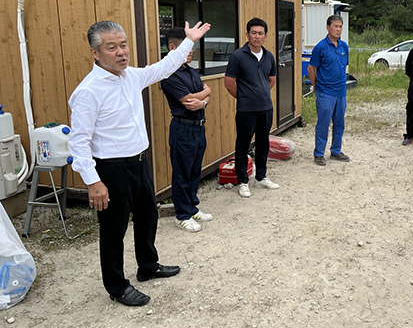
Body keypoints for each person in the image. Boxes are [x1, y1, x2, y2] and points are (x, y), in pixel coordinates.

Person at [69, 19, 210, 306]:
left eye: (123, 45)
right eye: (112, 47)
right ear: (96, 53)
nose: (121, 52)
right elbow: (78, 141)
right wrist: (93, 182)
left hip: (139, 162)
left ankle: (148, 266)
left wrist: (189, 41)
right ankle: (117, 286)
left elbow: (163, 67)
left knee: (148, 217)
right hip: (110, 169)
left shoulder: (131, 76)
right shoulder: (88, 91)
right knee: (113, 229)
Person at [160, 27, 212, 232]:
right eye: (186, 46)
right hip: (182, 128)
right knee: (182, 172)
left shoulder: (190, 71)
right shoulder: (169, 74)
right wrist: (204, 93)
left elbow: (205, 95)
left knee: (194, 170)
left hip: (199, 126)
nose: (191, 51)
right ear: (173, 48)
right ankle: (181, 214)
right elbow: (187, 99)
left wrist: (204, 100)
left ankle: (192, 207)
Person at [224, 17, 279, 198]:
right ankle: (243, 181)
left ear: (266, 36)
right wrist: (245, 97)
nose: (257, 37)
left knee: (263, 143)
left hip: (265, 107)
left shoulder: (269, 56)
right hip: (246, 110)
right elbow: (229, 82)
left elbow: (271, 79)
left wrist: (260, 93)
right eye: (253, 33)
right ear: (247, 34)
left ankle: (261, 177)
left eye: (260, 33)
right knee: (243, 145)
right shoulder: (238, 56)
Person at [308, 15, 350, 166]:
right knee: (323, 124)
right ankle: (319, 153)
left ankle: (336, 151)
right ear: (328, 27)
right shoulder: (321, 47)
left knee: (339, 123)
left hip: (341, 92)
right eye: (335, 26)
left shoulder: (344, 46)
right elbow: (311, 68)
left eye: (340, 27)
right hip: (325, 93)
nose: (338, 29)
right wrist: (316, 86)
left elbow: (343, 67)